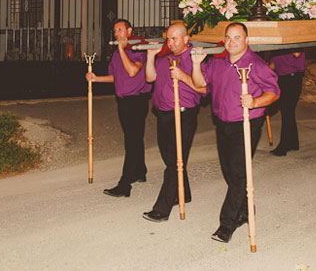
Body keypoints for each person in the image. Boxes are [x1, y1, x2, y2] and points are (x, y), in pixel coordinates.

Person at [191, 22, 280, 243]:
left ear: (246, 40)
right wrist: (195, 64)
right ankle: (246, 210)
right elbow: (200, 83)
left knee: (239, 175)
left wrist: (255, 101)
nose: (232, 42)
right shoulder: (218, 62)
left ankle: (226, 225)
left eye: (237, 38)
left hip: (246, 124)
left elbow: (274, 92)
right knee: (230, 172)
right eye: (228, 37)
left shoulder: (255, 64)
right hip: (222, 123)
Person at [142, 22, 206, 222]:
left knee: (174, 162)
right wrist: (151, 57)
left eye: (174, 38)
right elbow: (150, 78)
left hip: (183, 114)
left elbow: (203, 88)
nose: (170, 42)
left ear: (186, 39)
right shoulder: (165, 58)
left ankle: (162, 209)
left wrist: (183, 77)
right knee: (171, 157)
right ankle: (183, 193)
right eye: (168, 39)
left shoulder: (195, 58)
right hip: (163, 114)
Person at [85, 19, 151, 197]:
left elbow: (132, 71)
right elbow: (115, 77)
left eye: (120, 30)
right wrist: (96, 79)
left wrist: (122, 48)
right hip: (123, 100)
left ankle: (125, 184)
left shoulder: (137, 49)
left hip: (136, 101)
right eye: (115, 31)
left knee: (132, 140)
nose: (117, 34)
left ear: (129, 31)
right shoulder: (116, 55)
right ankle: (140, 172)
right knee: (134, 138)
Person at [269, 50, 305, 155]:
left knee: (287, 111)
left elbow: (297, 53)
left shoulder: (292, 40)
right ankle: (294, 142)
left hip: (293, 78)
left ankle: (284, 145)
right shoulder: (276, 47)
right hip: (281, 79)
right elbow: (273, 64)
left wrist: (284, 44)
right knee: (287, 111)